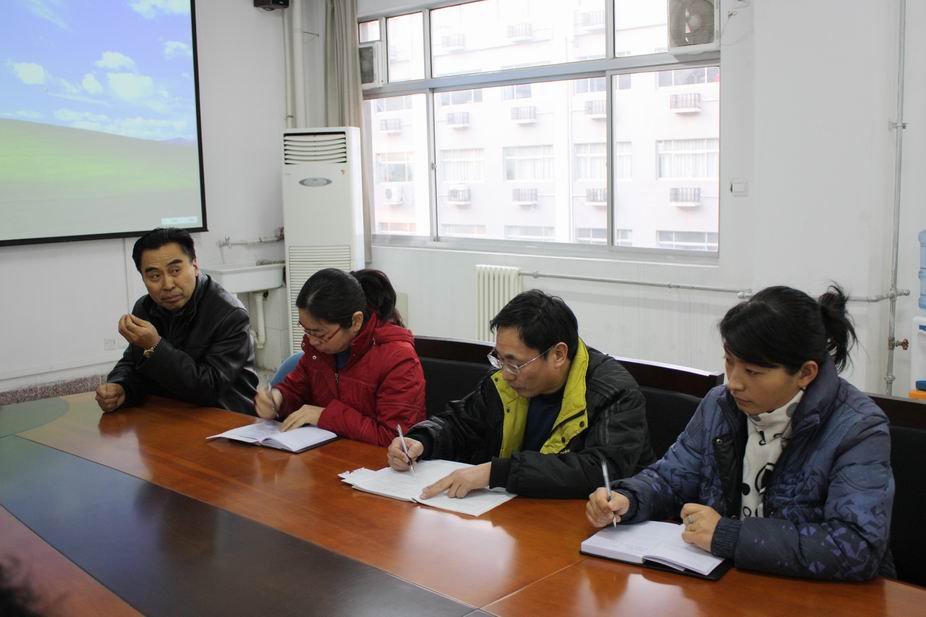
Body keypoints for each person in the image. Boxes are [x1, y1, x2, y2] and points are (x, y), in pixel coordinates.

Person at [586, 285, 895, 581]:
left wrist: (728, 536)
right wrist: (628, 498)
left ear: (805, 373)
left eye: (753, 372)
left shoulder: (857, 427)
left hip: (818, 596)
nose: (734, 382)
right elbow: (671, 478)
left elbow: (856, 546)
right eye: (729, 361)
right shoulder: (720, 405)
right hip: (728, 580)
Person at [387, 289, 653, 499]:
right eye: (499, 359)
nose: (505, 373)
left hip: (591, 523)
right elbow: (461, 423)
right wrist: (421, 440)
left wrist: (498, 472)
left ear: (558, 355)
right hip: (517, 512)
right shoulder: (505, 381)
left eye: (515, 363)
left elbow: (599, 470)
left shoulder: (614, 392)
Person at [95, 228, 259, 415]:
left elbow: (209, 388)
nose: (167, 285)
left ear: (195, 266)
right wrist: (120, 386)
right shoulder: (145, 307)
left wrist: (155, 346)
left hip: (226, 418)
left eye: (175, 270)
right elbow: (133, 361)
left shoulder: (230, 314)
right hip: (170, 414)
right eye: (155, 276)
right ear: (143, 278)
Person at [255, 268, 425, 446]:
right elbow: (296, 389)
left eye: (320, 334)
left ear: (356, 321)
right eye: (306, 330)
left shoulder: (398, 358)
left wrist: (323, 415)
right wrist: (277, 400)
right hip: (327, 453)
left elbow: (395, 439)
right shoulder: (319, 351)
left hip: (373, 461)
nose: (312, 341)